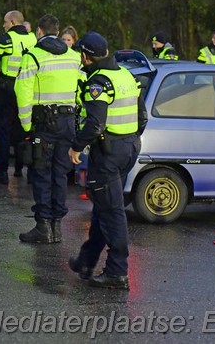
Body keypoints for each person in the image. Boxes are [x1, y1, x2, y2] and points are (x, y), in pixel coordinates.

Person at [67, 32, 147, 290]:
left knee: (112, 212)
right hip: (129, 147)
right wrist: (130, 139)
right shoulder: (125, 74)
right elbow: (142, 117)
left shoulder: (98, 82)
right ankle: (87, 261)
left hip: (108, 153)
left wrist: (77, 146)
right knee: (103, 207)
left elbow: (95, 123)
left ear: (85, 56)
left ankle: (117, 271)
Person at [15, 15, 81, 244]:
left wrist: (26, 125)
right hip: (68, 122)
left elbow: (22, 92)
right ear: (58, 30)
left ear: (40, 31)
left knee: (42, 173)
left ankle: (43, 226)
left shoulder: (33, 56)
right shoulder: (74, 56)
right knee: (60, 174)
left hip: (44, 124)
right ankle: (57, 227)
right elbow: (79, 89)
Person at [0, 10, 37, 184]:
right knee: (27, 129)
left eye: (5, 22)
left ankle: (1, 172)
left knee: (2, 129)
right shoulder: (33, 38)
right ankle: (31, 171)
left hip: (8, 88)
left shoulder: (6, 39)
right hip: (28, 88)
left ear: (13, 22)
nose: (4, 25)